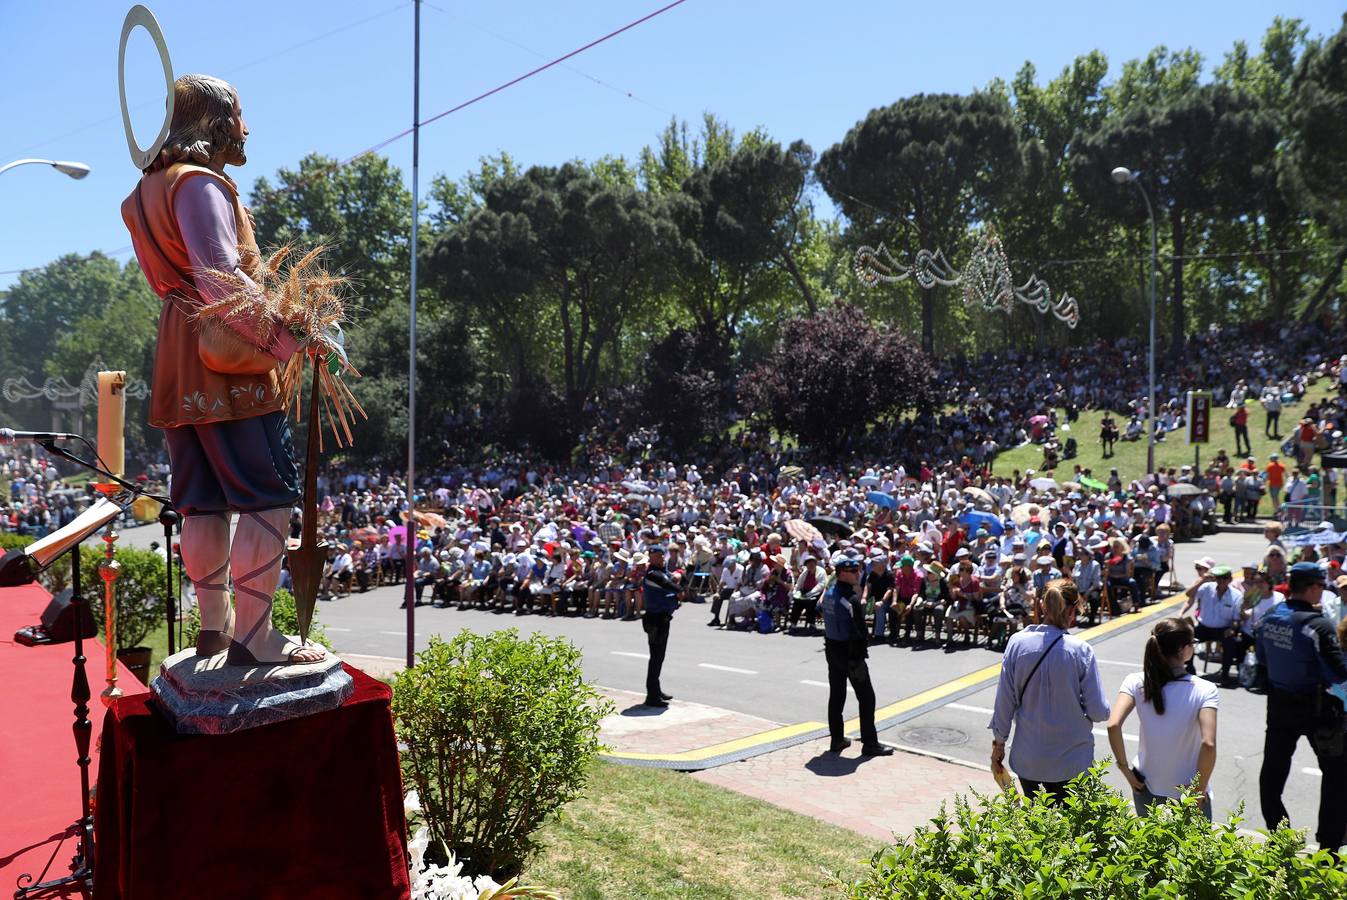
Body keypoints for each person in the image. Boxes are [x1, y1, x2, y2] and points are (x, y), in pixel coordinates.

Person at [121, 74, 324, 664]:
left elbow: (181, 280)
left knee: (202, 501)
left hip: (178, 352)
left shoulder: (144, 193)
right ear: (213, 122)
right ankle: (255, 637)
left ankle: (215, 629)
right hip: (224, 353)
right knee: (266, 498)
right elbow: (219, 278)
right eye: (238, 115)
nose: (246, 129)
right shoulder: (200, 183)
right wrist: (288, 335)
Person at [989, 580, 1110, 803]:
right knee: (1071, 830)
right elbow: (1099, 712)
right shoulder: (1081, 650)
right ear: (1073, 610)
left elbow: (1004, 703)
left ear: (1042, 606)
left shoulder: (1017, 643)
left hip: (1029, 759)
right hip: (1072, 760)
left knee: (1037, 825)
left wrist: (998, 745)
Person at [1256, 561, 1347, 852]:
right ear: (1313, 587)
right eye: (1322, 585)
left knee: (1272, 773)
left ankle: (1280, 838)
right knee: (1336, 775)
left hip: (1279, 705)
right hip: (1317, 708)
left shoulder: (1269, 617)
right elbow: (1338, 672)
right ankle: (1329, 847)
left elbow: (1261, 660)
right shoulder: (1317, 625)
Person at [1106, 618, 1219, 820]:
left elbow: (1113, 725)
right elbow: (1208, 744)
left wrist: (1125, 770)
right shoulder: (1205, 689)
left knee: (1149, 848)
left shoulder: (1136, 681)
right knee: (1193, 850)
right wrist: (1199, 790)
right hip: (1187, 792)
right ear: (1185, 649)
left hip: (1145, 785)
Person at [818, 549, 893, 756]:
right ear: (842, 573)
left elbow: (819, 607)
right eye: (853, 570)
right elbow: (861, 630)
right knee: (867, 698)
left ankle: (837, 740)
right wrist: (861, 650)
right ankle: (870, 743)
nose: (857, 573)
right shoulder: (850, 599)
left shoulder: (830, 592)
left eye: (858, 570)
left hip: (832, 648)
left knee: (837, 695)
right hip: (850, 653)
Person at [1179, 565, 1242, 684]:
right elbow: (1189, 594)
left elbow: (1236, 618)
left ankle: (1225, 673)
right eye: (1218, 578)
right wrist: (1202, 579)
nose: (1221, 581)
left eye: (1224, 578)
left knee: (1230, 642)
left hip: (1223, 629)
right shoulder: (1206, 587)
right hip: (1204, 627)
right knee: (1186, 638)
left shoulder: (1236, 596)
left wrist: (1233, 628)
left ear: (1229, 579)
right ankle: (1189, 668)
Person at [641, 545, 680, 707]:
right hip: (655, 619)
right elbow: (673, 586)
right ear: (650, 558)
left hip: (663, 619)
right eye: (657, 556)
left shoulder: (662, 572)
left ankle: (656, 690)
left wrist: (678, 575)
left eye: (661, 556)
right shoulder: (653, 574)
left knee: (659, 657)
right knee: (656, 658)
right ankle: (652, 695)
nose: (661, 558)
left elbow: (674, 579)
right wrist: (677, 580)